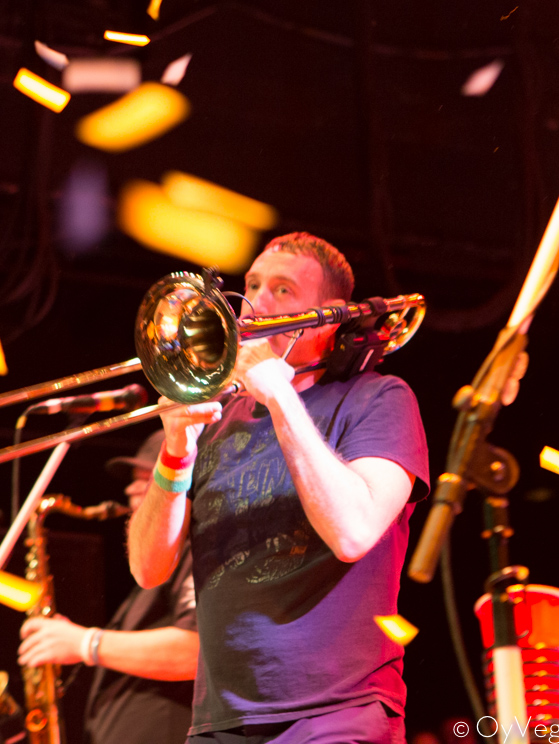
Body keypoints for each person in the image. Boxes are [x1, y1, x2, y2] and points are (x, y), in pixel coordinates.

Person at [128, 232, 430, 744]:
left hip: (336, 714)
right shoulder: (219, 418)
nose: (255, 304)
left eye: (283, 290)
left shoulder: (380, 398)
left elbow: (353, 532)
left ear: (329, 318)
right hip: (219, 722)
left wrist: (277, 393)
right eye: (252, 285)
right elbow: (147, 569)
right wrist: (175, 447)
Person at [18, 430, 199, 744]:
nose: (130, 488)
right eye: (133, 479)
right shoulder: (157, 568)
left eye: (149, 477)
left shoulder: (196, 552)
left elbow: (194, 652)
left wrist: (85, 642)